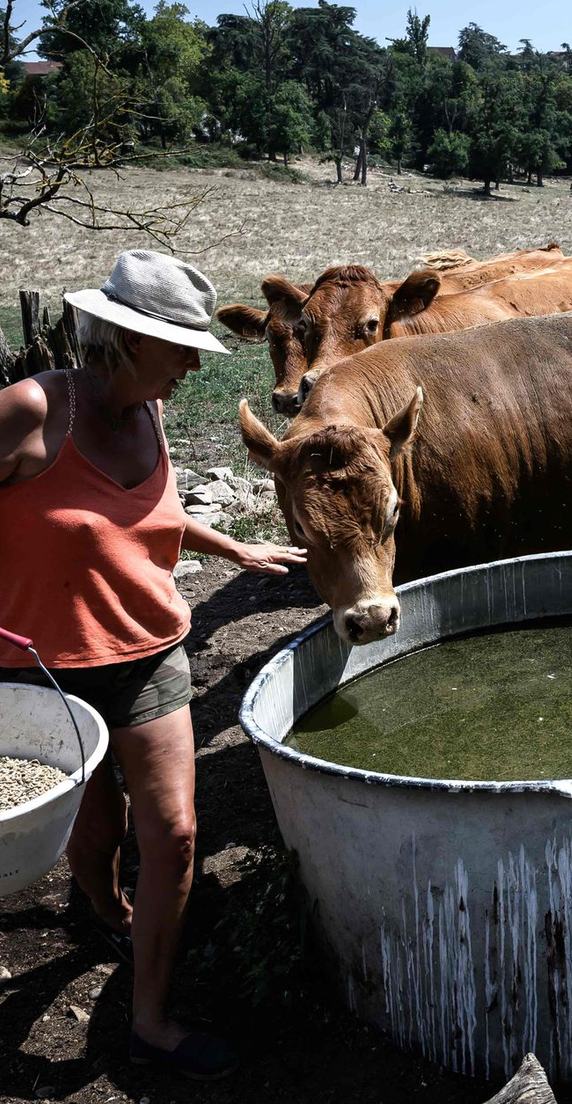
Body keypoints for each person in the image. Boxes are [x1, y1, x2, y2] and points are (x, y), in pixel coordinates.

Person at [0, 250, 305, 1080]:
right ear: (128, 341)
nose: (193, 365)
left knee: (171, 831)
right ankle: (102, 910)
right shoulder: (32, 412)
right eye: (181, 348)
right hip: (48, 674)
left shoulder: (153, 414)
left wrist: (230, 543)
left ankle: (149, 1020)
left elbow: (150, 517)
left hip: (150, 652)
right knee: (93, 839)